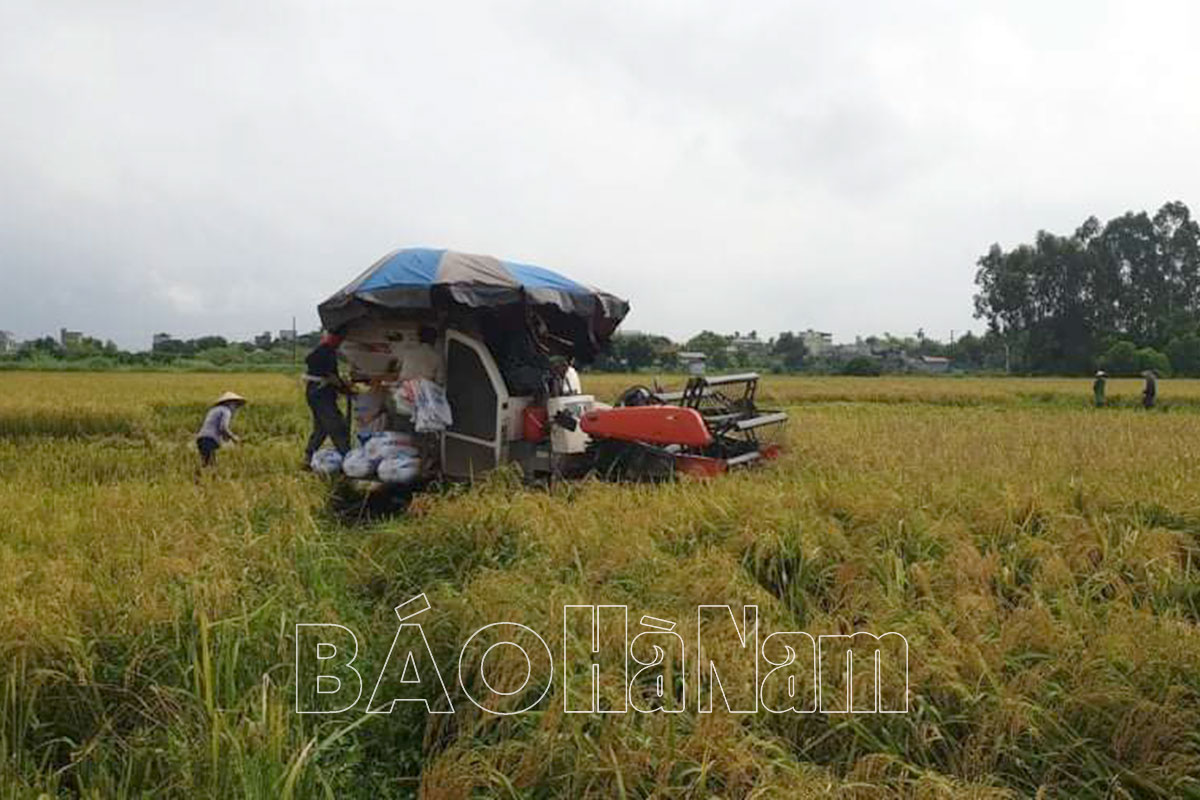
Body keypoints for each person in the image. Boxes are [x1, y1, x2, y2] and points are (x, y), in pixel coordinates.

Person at [303, 332, 352, 465]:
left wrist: (342, 387)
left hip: (315, 392)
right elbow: (332, 377)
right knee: (337, 425)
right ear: (334, 339)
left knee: (321, 427)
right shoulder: (325, 352)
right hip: (320, 393)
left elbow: (332, 376)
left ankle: (308, 456)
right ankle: (347, 458)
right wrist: (345, 389)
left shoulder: (323, 351)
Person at [195, 391, 245, 467]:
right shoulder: (226, 411)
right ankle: (203, 477)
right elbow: (223, 427)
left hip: (202, 438)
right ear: (229, 403)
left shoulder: (214, 410)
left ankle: (201, 477)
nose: (235, 407)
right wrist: (233, 438)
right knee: (211, 465)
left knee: (206, 464)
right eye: (235, 404)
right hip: (209, 439)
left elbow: (215, 426)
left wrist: (226, 437)